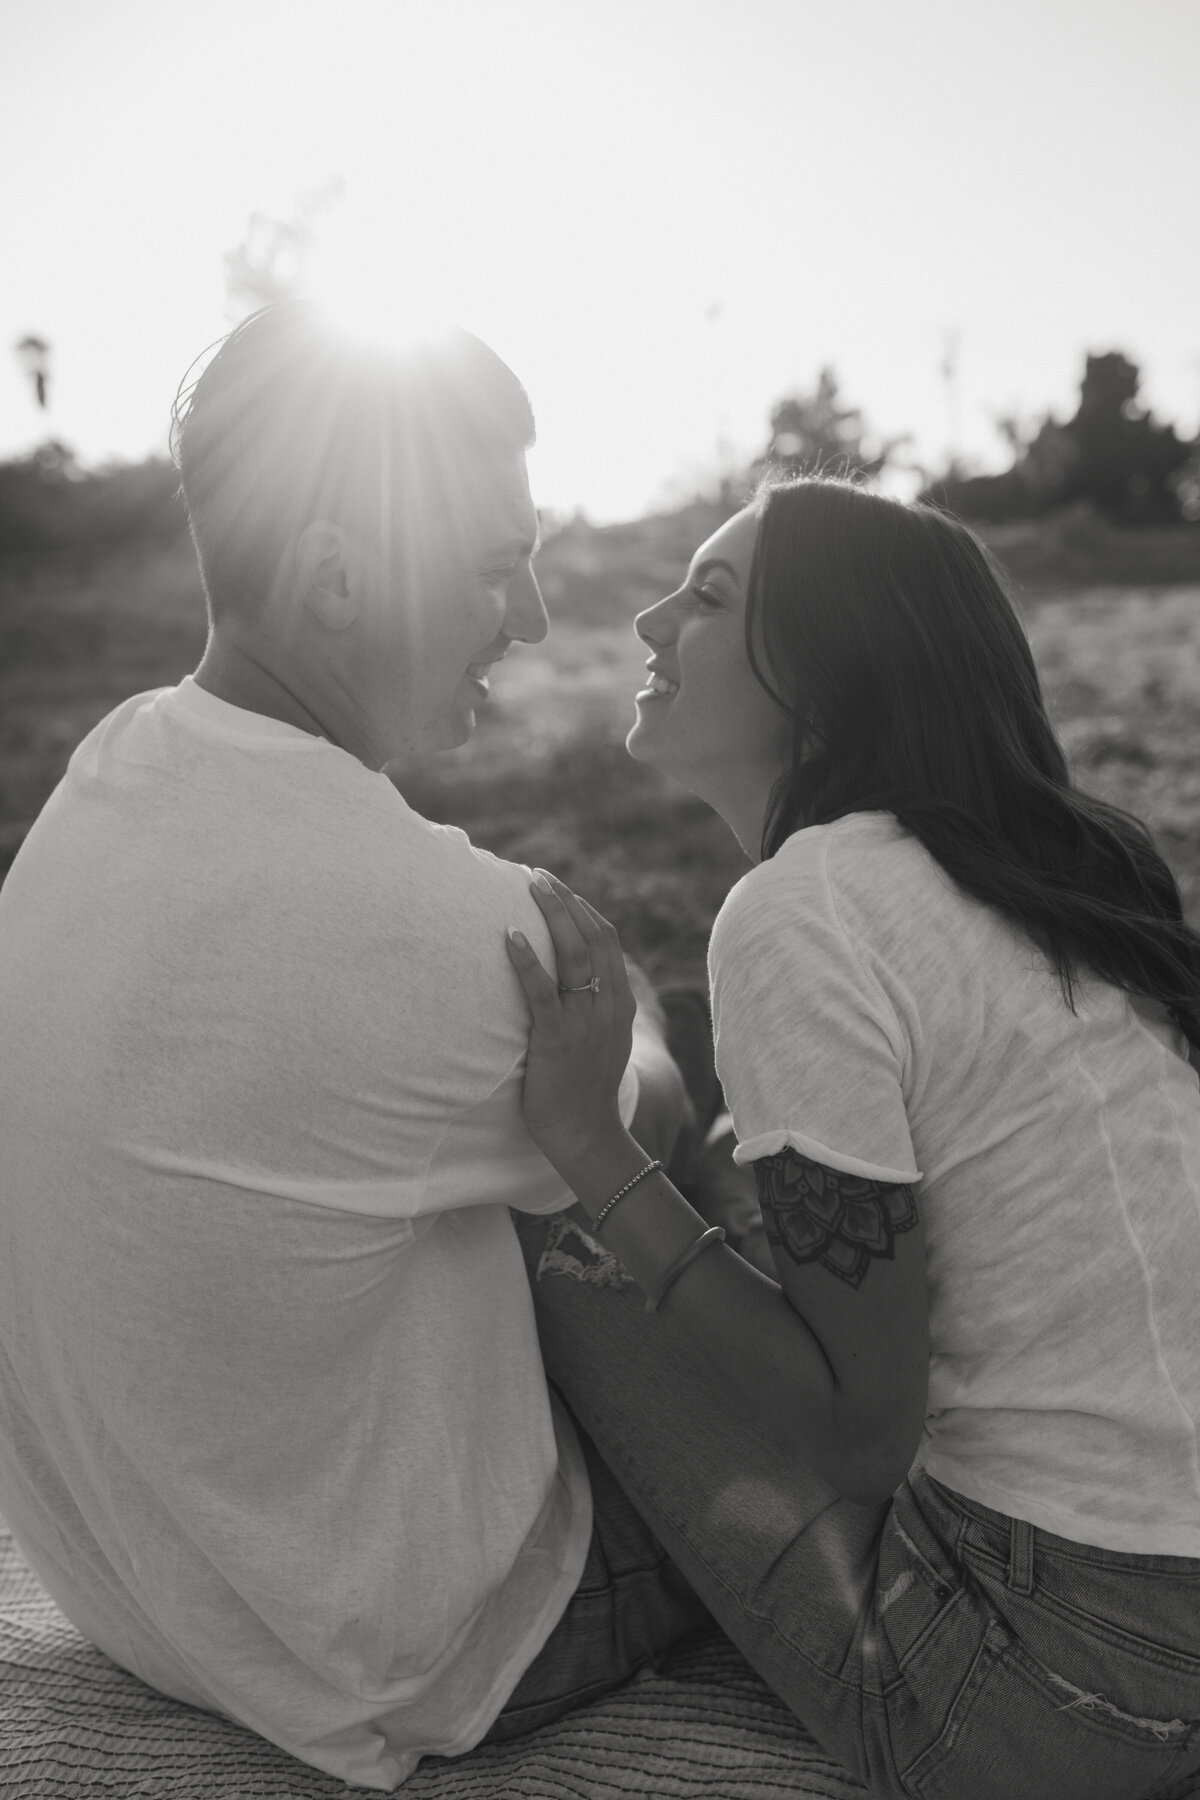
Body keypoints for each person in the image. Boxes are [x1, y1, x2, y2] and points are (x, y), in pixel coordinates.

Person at [0, 304, 707, 1791]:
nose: (528, 622)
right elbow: (648, 1123)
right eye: (493, 569)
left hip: (145, 1597)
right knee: (772, 1225)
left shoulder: (113, 765)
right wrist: (633, 998)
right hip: (409, 1646)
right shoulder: (447, 925)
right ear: (336, 576)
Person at [505, 476, 1200, 1800]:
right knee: (706, 1166)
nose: (650, 618)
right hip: (1160, 1587)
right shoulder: (1055, 872)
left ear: (829, 683)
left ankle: (563, 1626)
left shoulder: (805, 909)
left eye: (706, 597)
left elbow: (859, 1436)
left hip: (1068, 1686)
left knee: (552, 1238)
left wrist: (589, 1147)